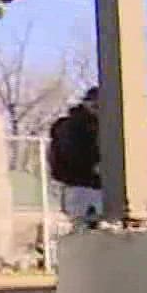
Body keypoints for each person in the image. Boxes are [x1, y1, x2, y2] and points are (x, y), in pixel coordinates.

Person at [48, 86, 102, 228]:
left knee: (85, 229)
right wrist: (94, 167)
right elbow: (73, 155)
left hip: (79, 187)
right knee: (87, 228)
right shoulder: (76, 126)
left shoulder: (73, 125)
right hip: (83, 186)